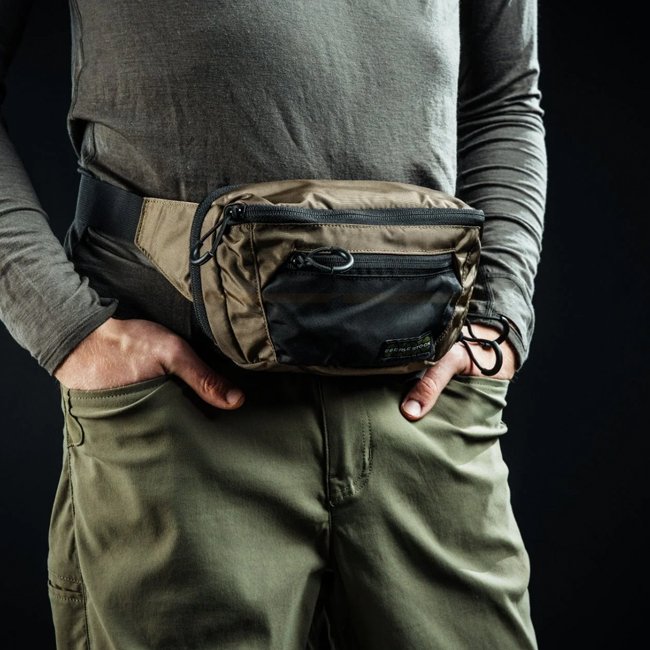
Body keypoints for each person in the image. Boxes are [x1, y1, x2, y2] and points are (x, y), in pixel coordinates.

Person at [0, 1, 547, 648]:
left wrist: (494, 316)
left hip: (424, 409)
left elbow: (502, 97)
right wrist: (64, 324)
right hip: (183, 421)